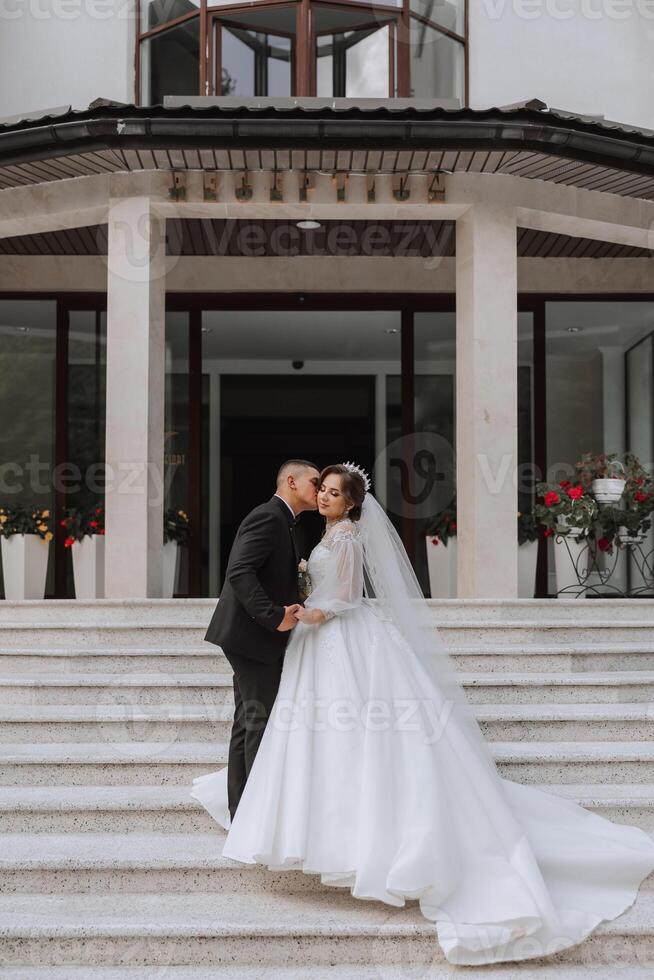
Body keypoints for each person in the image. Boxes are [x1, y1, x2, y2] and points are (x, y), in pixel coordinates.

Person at [192, 461, 654, 966]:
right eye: (319, 489)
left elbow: (344, 594)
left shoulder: (343, 537)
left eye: (332, 492)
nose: (323, 497)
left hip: (333, 633)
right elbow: (255, 573)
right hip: (300, 638)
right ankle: (265, 808)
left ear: (350, 503)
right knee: (287, 727)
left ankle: (328, 822)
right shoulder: (294, 525)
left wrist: (312, 611)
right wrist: (296, 606)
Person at [202, 458, 320, 819]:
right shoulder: (268, 517)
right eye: (315, 482)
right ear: (291, 481)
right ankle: (252, 814)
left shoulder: (287, 523)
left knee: (248, 720)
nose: (319, 490)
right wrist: (274, 618)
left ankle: (241, 809)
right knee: (258, 722)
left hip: (250, 637)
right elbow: (240, 572)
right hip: (251, 637)